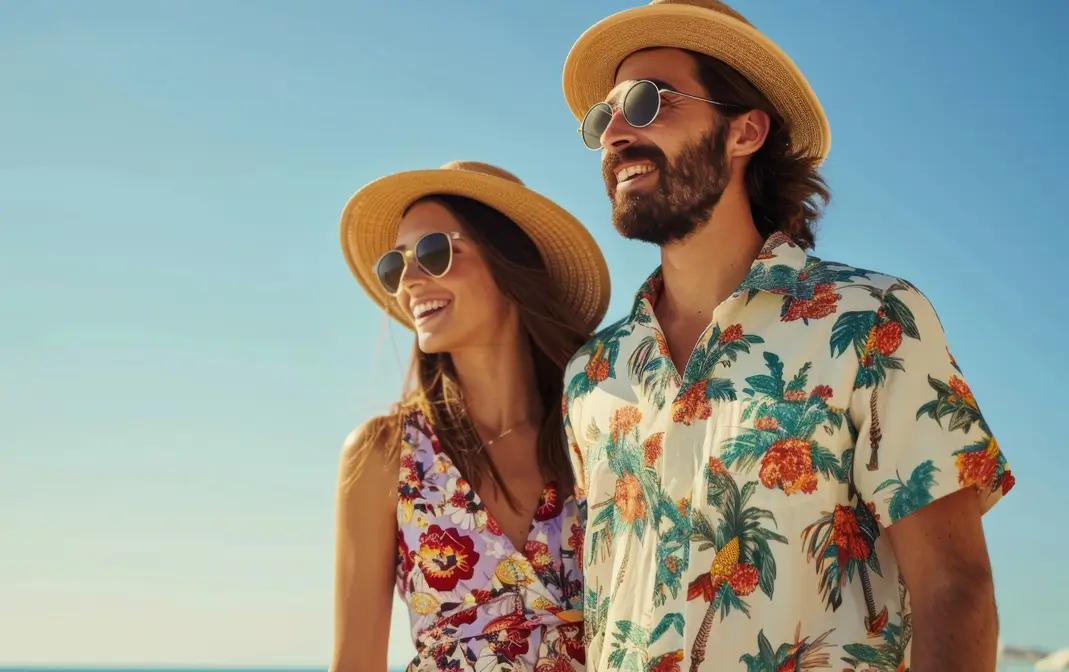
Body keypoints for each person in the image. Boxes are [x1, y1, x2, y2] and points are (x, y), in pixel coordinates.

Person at [558, 2, 1014, 671]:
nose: (614, 134)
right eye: (603, 117)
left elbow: (955, 588)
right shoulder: (590, 375)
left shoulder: (872, 319)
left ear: (743, 132)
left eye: (646, 102)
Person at [330, 160, 610, 672]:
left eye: (433, 253)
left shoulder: (597, 432)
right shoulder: (384, 454)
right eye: (396, 266)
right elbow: (354, 664)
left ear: (508, 264)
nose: (408, 282)